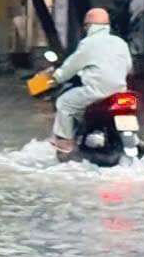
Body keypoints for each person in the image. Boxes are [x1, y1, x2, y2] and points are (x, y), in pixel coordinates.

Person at [50, 8, 133, 153]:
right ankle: (135, 142)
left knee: (64, 103)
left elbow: (71, 66)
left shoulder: (88, 43)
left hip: (96, 93)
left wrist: (57, 77)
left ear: (89, 26)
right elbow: (128, 67)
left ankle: (65, 141)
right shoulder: (121, 43)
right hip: (120, 93)